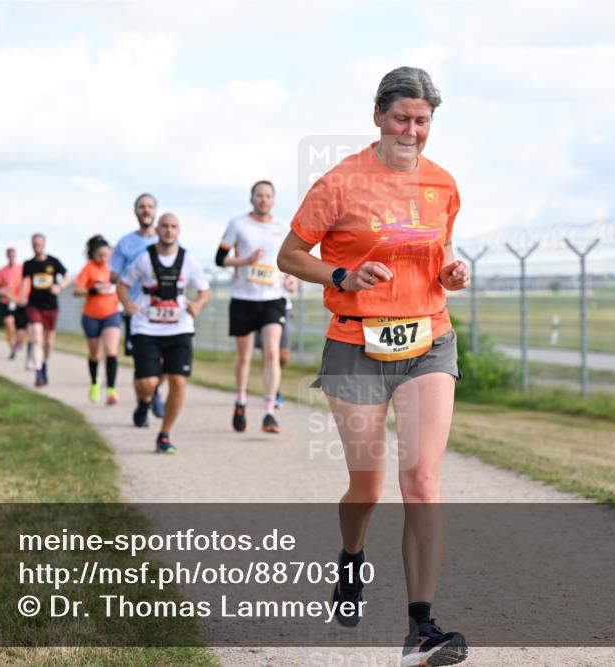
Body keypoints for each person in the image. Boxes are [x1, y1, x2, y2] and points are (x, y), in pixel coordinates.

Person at [277, 67, 470, 666]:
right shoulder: (340, 182)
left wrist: (451, 274)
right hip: (357, 344)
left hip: (429, 341)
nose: (412, 131)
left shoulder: (443, 184)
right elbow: (290, 255)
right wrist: (342, 275)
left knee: (422, 481)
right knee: (369, 485)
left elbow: (438, 258)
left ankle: (421, 629)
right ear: (378, 116)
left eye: (423, 121)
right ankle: (352, 559)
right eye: (402, 119)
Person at [117, 213, 210, 453]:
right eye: (165, 226)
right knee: (148, 383)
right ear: (157, 229)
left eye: (173, 226)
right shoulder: (143, 259)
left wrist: (197, 305)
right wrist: (127, 305)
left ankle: (164, 435)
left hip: (179, 327)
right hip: (146, 327)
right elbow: (123, 285)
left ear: (179, 230)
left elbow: (204, 291)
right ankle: (144, 401)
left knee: (178, 381)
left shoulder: (188, 260)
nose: (169, 230)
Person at [215, 180, 289, 434]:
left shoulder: (282, 227)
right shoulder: (238, 224)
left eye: (268, 196)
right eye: (259, 195)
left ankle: (269, 412)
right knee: (245, 356)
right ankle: (241, 400)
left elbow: (292, 260)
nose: (263, 200)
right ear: (251, 198)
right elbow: (219, 258)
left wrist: (292, 279)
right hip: (244, 298)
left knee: (271, 352)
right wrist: (244, 260)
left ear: (273, 199)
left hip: (273, 297)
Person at [110, 193, 165, 418]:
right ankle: (144, 402)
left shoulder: (166, 238)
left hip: (164, 309)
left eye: (150, 207)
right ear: (136, 211)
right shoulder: (126, 243)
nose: (146, 210)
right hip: (136, 309)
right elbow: (114, 276)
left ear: (155, 211)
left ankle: (154, 392)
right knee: (141, 362)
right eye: (142, 206)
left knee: (164, 360)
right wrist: (133, 272)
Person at [74, 235, 122, 405]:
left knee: (111, 350)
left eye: (106, 255)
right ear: (93, 254)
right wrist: (90, 291)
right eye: (100, 255)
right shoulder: (88, 268)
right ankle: (95, 383)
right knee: (95, 354)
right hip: (91, 316)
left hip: (111, 314)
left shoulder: (114, 267)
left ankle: (111, 390)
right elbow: (77, 290)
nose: (103, 258)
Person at [19, 234, 68, 387]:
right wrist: (22, 296)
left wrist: (59, 286)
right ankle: (39, 372)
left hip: (51, 306)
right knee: (37, 339)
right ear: (31, 245)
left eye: (39, 244)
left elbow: (67, 276)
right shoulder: (28, 264)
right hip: (34, 305)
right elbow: (24, 281)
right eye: (34, 244)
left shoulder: (53, 262)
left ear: (44, 244)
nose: (37, 247)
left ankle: (43, 364)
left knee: (49, 342)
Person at [254, 275, 298, 408]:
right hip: (258, 304)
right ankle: (273, 393)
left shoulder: (283, 253)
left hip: (282, 305)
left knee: (283, 356)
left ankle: (272, 385)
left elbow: (294, 272)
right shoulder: (255, 253)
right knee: (269, 353)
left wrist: (293, 281)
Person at [0, 248, 30, 362]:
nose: (12, 258)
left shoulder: (22, 269)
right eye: (10, 256)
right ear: (7, 256)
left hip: (20, 302)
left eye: (13, 256)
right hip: (7, 302)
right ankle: (12, 348)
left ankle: (18, 343)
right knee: (9, 324)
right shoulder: (2, 271)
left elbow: (28, 283)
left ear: (16, 256)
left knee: (22, 331)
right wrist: (0, 291)